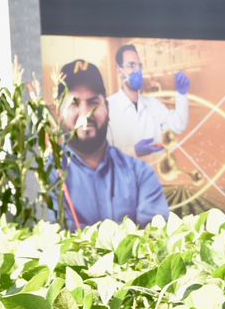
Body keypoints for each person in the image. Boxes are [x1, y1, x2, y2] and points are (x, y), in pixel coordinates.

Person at [52, 59, 169, 227]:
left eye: (93, 103)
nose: (86, 113)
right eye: (73, 103)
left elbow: (156, 240)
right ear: (58, 113)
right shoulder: (46, 177)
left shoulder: (140, 175)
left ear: (107, 108)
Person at [107, 43, 190, 158]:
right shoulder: (107, 108)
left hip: (153, 173)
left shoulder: (153, 104)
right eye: (131, 65)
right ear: (119, 70)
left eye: (139, 66)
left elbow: (178, 125)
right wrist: (134, 151)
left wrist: (181, 94)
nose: (137, 71)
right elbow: (103, 156)